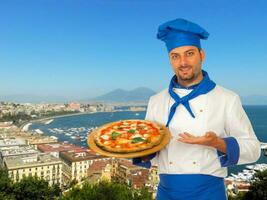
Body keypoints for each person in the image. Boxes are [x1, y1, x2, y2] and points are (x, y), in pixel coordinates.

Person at [133, 18, 261, 200]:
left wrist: (217, 143)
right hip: (165, 193)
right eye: (175, 56)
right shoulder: (156, 101)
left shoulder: (227, 98)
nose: (183, 62)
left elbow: (254, 149)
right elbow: (151, 151)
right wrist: (142, 152)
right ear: (170, 60)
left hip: (209, 193)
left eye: (189, 53)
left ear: (202, 55)